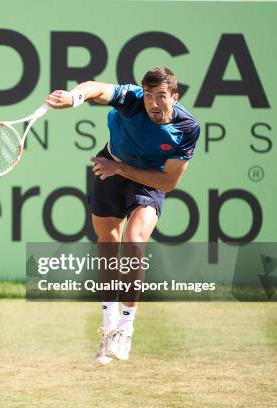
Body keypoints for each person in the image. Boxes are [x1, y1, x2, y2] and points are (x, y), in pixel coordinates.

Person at [45, 67, 200, 366]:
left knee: (134, 242)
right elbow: (95, 88)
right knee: (108, 245)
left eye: (161, 97)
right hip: (111, 164)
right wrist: (75, 97)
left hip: (148, 179)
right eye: (149, 96)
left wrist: (123, 170)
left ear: (175, 97)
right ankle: (108, 326)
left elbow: (168, 183)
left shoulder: (187, 127)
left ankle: (125, 328)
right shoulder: (132, 98)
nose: (153, 103)